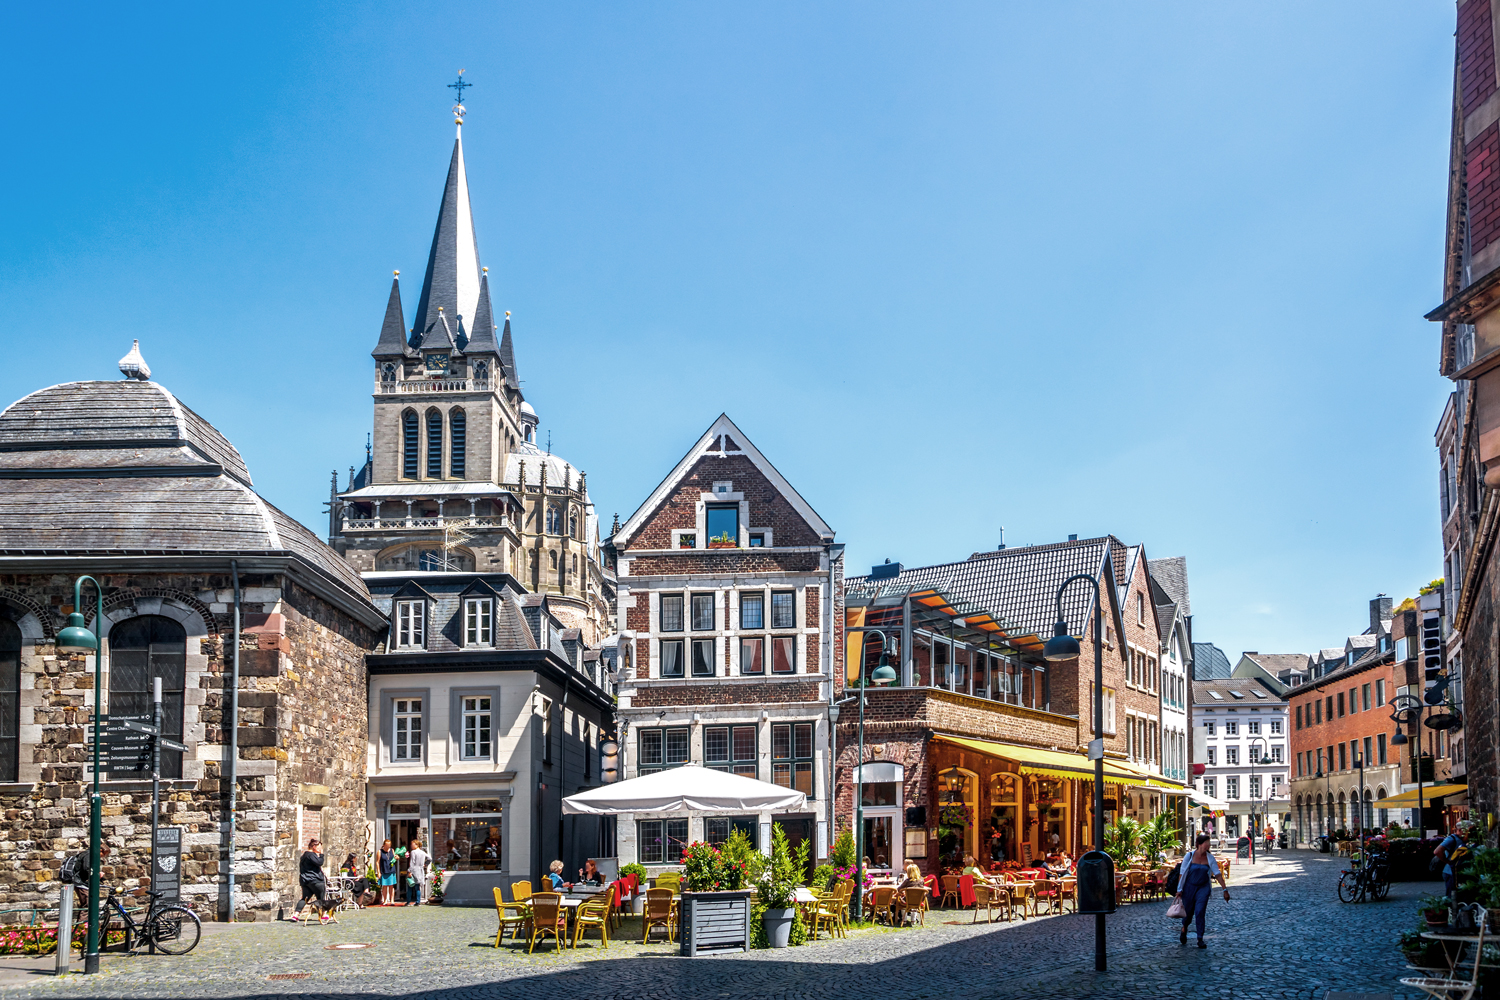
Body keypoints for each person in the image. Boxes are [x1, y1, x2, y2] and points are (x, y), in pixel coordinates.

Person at [1173, 833, 1229, 948]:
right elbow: (1182, 874)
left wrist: (1225, 889)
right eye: (1206, 843)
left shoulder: (1210, 858)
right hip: (1189, 887)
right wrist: (1179, 889)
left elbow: (1217, 874)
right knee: (1188, 913)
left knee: (1200, 911)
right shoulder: (1189, 856)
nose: (1208, 845)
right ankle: (1184, 928)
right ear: (1199, 844)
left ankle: (1200, 938)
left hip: (1203, 888)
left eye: (1209, 843)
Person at [291, 838, 329, 924]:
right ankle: (323, 915)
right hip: (315, 880)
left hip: (305, 880)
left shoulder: (304, 855)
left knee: (305, 898)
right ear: (314, 847)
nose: (320, 849)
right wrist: (322, 855)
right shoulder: (311, 855)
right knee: (321, 898)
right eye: (319, 847)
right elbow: (319, 862)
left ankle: (296, 915)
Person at [1435, 821, 1473, 897]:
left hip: (1457, 871)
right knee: (1452, 895)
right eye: (1466, 830)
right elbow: (1437, 851)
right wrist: (1449, 862)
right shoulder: (1452, 839)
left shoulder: (1463, 839)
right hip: (1450, 872)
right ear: (1459, 830)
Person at [406, 839, 430, 905]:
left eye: (412, 844)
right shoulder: (423, 852)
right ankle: (418, 901)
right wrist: (425, 864)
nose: (411, 845)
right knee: (417, 887)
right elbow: (429, 858)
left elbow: (412, 862)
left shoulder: (413, 852)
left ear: (416, 845)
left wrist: (410, 871)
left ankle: (408, 901)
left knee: (410, 886)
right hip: (420, 870)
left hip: (414, 870)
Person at [378, 839, 397, 906]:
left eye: (389, 845)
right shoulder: (380, 851)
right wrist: (378, 872)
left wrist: (397, 857)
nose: (388, 846)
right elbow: (377, 862)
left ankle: (392, 900)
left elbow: (395, 858)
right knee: (385, 886)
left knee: (391, 886)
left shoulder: (392, 850)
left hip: (391, 870)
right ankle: (385, 900)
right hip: (384, 870)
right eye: (387, 845)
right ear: (384, 845)